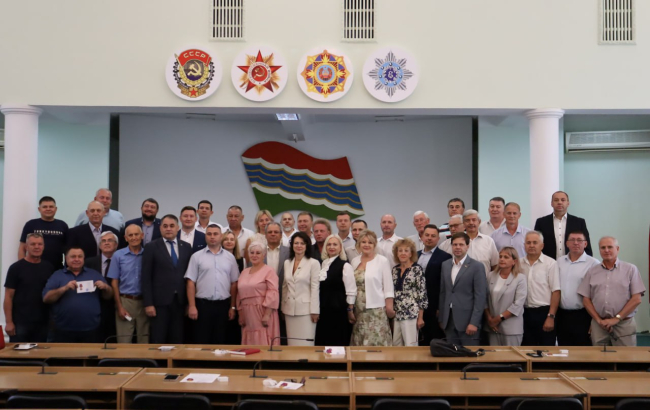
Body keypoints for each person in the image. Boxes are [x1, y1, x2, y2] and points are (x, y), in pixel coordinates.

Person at [578, 236, 646, 347]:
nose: (606, 250)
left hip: (624, 324)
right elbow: (586, 299)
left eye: (610, 247)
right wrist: (598, 320)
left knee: (625, 356)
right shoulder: (592, 271)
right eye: (603, 247)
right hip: (599, 325)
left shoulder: (630, 269)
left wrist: (616, 319)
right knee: (599, 356)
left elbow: (636, 299)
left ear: (617, 249)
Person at [43, 247, 113, 343]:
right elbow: (46, 298)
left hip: (91, 329)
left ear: (84, 259)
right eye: (73, 256)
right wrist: (65, 288)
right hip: (63, 330)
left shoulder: (94, 274)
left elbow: (108, 296)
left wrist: (106, 287)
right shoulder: (57, 275)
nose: (76, 259)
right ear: (66, 258)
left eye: (80, 256)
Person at [141, 214, 192, 344]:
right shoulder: (151, 247)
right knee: (158, 338)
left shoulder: (186, 247)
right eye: (165, 226)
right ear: (160, 228)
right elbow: (146, 277)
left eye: (171, 226)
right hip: (159, 303)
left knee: (177, 339)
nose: (168, 229)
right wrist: (148, 303)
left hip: (180, 302)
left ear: (178, 228)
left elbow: (189, 277)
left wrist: (189, 303)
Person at [185, 224, 239, 344]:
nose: (212, 237)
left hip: (223, 306)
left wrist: (232, 307)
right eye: (209, 234)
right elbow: (190, 282)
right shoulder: (196, 257)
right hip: (202, 306)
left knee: (221, 340)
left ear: (221, 236)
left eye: (215, 234)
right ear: (205, 236)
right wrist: (192, 306)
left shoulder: (230, 257)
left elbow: (234, 283)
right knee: (201, 340)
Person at [438, 232, 488, 346]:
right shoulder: (445, 265)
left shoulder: (477, 266)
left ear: (467, 246)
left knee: (469, 354)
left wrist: (474, 322)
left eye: (461, 244)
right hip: (448, 320)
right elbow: (443, 293)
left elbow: (480, 297)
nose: (458, 247)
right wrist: (442, 318)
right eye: (455, 244)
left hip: (468, 322)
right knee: (452, 354)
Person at [4, 233, 55, 342]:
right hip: (20, 323)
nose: (37, 247)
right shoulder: (15, 268)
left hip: (43, 323)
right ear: (26, 247)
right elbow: (8, 296)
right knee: (18, 352)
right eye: (33, 244)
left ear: (43, 246)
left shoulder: (49, 267)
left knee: (41, 352)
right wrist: (9, 322)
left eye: (40, 244)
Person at [350, 230, 395, 346]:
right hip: (359, 310)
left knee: (376, 341)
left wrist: (389, 307)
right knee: (360, 340)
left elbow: (388, 286)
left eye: (370, 242)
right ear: (359, 244)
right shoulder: (354, 261)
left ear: (374, 245)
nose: (366, 245)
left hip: (376, 309)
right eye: (363, 242)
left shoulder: (382, 261)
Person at [556, 231, 600, 346]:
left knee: (582, 350)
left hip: (583, 315)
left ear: (585, 244)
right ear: (567, 243)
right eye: (572, 240)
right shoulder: (559, 261)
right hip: (562, 315)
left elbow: (597, 294)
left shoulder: (593, 264)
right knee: (563, 350)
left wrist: (594, 320)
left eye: (579, 240)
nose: (576, 243)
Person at [107, 225, 149, 343]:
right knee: (124, 340)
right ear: (126, 238)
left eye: (136, 234)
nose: (134, 237)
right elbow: (114, 283)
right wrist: (119, 306)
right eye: (130, 235)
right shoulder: (118, 255)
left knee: (144, 340)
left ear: (142, 236)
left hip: (144, 302)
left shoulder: (148, 254)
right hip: (125, 301)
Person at [520, 231, 560, 346]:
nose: (531, 245)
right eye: (528, 243)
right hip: (524, 313)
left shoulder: (551, 263)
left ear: (542, 245)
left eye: (535, 242)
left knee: (546, 350)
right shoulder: (519, 263)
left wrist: (551, 316)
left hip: (544, 313)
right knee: (526, 349)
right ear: (524, 245)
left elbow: (556, 291)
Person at [315, 234, 357, 346]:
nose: (331, 247)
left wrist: (350, 310)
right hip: (324, 310)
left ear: (340, 247)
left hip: (339, 311)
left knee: (337, 342)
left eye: (335, 244)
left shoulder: (345, 265)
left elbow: (351, 290)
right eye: (329, 244)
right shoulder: (322, 264)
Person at [237, 241, 281, 345]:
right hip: (247, 314)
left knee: (263, 339)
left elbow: (273, 292)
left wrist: (267, 314)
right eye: (252, 252)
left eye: (258, 253)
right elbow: (239, 294)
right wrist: (240, 313)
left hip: (263, 311)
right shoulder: (244, 272)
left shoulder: (269, 271)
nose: (254, 255)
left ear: (264, 255)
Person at [281, 231, 320, 346]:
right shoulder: (287, 263)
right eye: (296, 243)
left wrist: (315, 311)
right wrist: (283, 307)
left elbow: (315, 288)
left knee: (305, 344)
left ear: (307, 246)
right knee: (292, 343)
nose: (299, 246)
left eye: (302, 243)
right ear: (292, 245)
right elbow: (285, 287)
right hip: (289, 310)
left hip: (306, 312)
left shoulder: (313, 263)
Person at [484, 247, 527, 346]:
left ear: (514, 261)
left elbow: (518, 304)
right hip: (492, 327)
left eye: (506, 257)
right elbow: (485, 299)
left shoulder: (520, 278)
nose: (502, 259)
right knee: (494, 355)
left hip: (511, 328)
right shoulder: (490, 275)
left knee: (511, 356)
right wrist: (489, 319)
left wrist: (497, 319)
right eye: (500, 257)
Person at [417, 224, 452, 345]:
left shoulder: (445, 257)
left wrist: (440, 307)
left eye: (433, 236)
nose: (429, 238)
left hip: (433, 306)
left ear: (438, 238)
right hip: (415, 306)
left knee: (432, 339)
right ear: (422, 237)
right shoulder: (415, 255)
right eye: (427, 235)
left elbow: (446, 285)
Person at [534, 191, 593, 260]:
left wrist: (587, 262)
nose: (559, 202)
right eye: (556, 200)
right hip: (548, 263)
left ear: (568, 203)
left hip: (573, 263)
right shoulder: (541, 222)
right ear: (551, 203)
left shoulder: (579, 222)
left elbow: (586, 246)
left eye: (563, 200)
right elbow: (536, 245)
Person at [391, 238, 428, 346]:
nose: (403, 253)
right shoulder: (395, 270)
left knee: (410, 345)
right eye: (400, 250)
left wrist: (420, 318)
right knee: (396, 345)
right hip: (397, 314)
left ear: (411, 253)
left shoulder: (417, 269)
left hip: (411, 314)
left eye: (406, 250)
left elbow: (422, 294)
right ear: (396, 253)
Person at [85, 231, 119, 342]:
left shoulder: (122, 261)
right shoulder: (89, 262)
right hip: (95, 306)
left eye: (110, 240)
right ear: (100, 245)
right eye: (103, 241)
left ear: (116, 245)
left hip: (116, 305)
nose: (106, 243)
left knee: (113, 339)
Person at [18, 196, 68, 270]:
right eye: (45, 207)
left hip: (57, 269)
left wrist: (67, 268)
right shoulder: (31, 224)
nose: (48, 209)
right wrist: (22, 266)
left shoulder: (62, 225)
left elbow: (67, 250)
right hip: (33, 267)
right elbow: (22, 247)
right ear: (39, 209)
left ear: (56, 209)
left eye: (51, 207)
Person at [462, 210, 499, 276]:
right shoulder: (458, 241)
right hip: (463, 281)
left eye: (474, 220)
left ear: (479, 222)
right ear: (463, 223)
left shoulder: (488, 241)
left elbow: (495, 265)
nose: (471, 223)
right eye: (467, 220)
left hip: (485, 280)